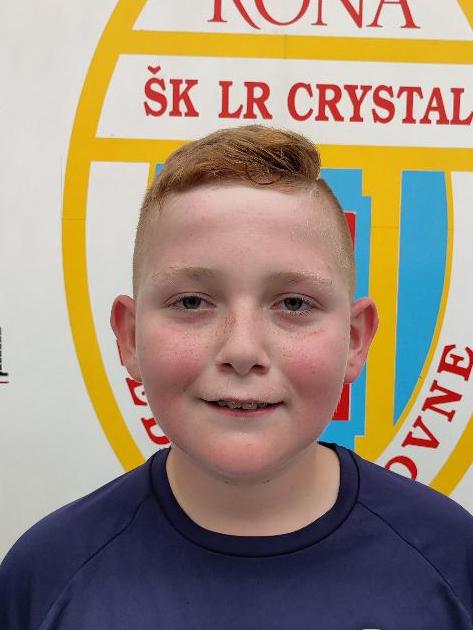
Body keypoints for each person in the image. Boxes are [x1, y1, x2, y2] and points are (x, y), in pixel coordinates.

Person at [1, 125, 473, 629]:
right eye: (191, 302)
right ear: (130, 338)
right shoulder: (44, 577)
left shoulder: (452, 559)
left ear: (355, 340)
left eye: (294, 303)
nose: (243, 350)